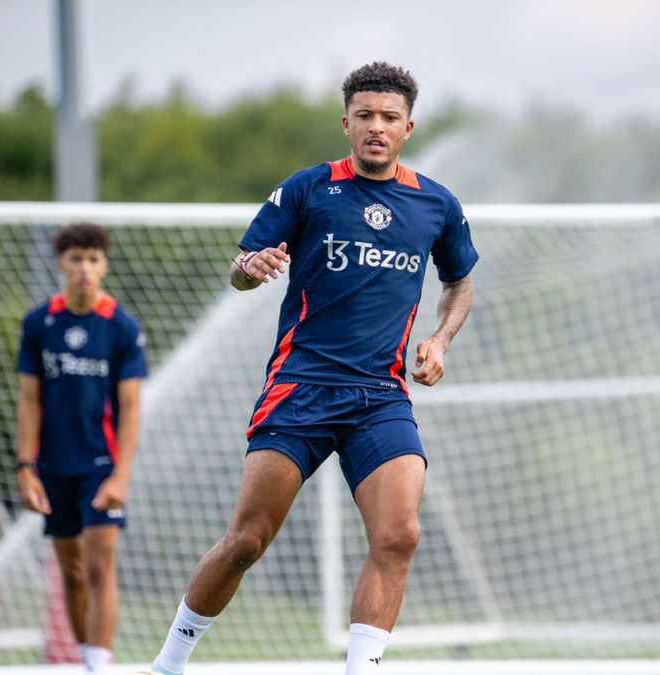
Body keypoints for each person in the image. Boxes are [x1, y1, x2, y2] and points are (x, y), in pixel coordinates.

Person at [149, 62, 477, 675]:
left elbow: (459, 283)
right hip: (301, 388)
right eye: (364, 116)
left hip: (381, 396)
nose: (376, 127)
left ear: (408, 126)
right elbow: (242, 266)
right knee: (246, 540)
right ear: (346, 123)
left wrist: (440, 338)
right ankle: (168, 663)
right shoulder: (307, 189)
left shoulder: (436, 203)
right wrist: (248, 269)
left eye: (388, 118)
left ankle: (362, 668)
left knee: (400, 533)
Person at [15, 223, 146, 675]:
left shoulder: (121, 325)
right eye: (76, 259)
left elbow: (130, 407)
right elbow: (29, 400)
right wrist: (25, 467)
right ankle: (86, 659)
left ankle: (99, 664)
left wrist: (121, 475)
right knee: (70, 572)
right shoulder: (38, 323)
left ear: (104, 265)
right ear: (61, 265)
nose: (84, 268)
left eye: (92, 259)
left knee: (98, 566)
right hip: (53, 466)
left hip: (101, 466)